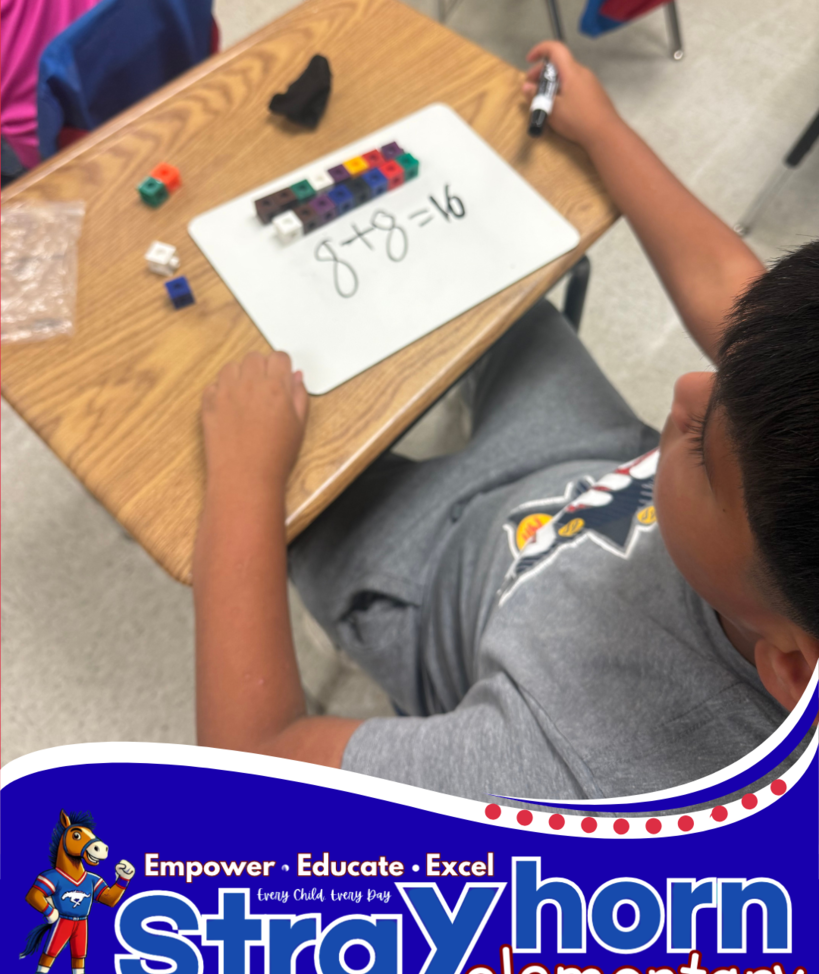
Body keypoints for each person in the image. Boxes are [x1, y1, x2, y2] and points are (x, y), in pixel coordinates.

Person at [192, 42, 818, 801]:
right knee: (487, 289)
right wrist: (604, 130)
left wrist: (244, 478)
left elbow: (258, 754)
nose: (687, 389)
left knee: (263, 475)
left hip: (432, 581)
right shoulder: (780, 521)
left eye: (706, 450)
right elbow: (734, 293)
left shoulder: (583, 779)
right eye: (721, 380)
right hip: (588, 468)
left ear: (791, 669)